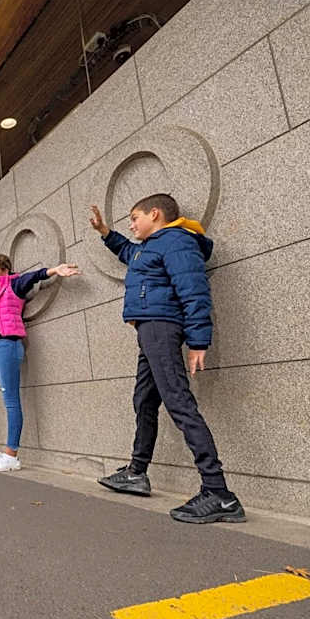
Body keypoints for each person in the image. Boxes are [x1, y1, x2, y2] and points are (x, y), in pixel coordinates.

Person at [88, 194, 246, 524]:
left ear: (155, 214)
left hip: (161, 327)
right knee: (144, 400)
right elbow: (128, 253)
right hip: (149, 329)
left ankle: (219, 492)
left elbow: (194, 288)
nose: (130, 225)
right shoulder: (150, 247)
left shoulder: (176, 241)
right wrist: (105, 232)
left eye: (134, 218)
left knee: (178, 402)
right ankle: (136, 472)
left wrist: (199, 340)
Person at [0, 254, 80, 472]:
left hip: (8, 344)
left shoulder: (14, 284)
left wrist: (55, 270)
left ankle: (11, 456)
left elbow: (34, 276)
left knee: (10, 399)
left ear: (4, 270)